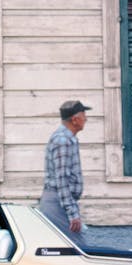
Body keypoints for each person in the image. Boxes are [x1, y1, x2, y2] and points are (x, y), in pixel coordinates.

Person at [39, 99, 90, 245]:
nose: (86, 119)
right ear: (75, 119)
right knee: (77, 248)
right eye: (83, 115)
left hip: (60, 201)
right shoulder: (63, 141)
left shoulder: (68, 139)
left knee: (63, 248)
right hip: (57, 202)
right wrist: (72, 213)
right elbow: (62, 180)